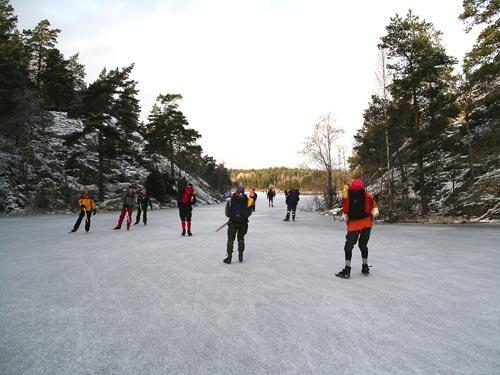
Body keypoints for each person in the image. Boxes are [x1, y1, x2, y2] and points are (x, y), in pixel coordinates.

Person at [335, 179, 379, 279]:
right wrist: (373, 215)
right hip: (367, 224)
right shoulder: (367, 195)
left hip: (353, 225)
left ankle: (347, 270)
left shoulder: (348, 195)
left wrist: (345, 218)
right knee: (363, 245)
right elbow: (375, 209)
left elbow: (345, 210)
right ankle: (365, 266)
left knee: (348, 247)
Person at [223, 186, 253, 264]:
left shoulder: (231, 199)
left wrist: (232, 216)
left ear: (236, 191)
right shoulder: (247, 200)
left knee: (230, 240)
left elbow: (227, 212)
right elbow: (249, 212)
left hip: (232, 222)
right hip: (243, 223)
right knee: (241, 239)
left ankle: (229, 257)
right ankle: (240, 255)